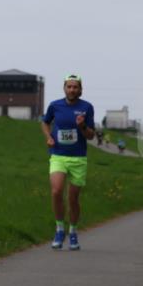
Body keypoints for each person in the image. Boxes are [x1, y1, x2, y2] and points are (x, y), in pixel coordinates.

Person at [40, 74, 95, 250]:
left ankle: (73, 232)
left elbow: (91, 135)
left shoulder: (87, 107)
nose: (72, 89)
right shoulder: (55, 105)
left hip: (78, 158)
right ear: (64, 88)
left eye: (75, 87)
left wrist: (82, 126)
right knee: (56, 191)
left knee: (73, 199)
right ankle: (59, 229)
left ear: (80, 89)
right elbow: (45, 122)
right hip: (58, 155)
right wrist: (48, 137)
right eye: (69, 86)